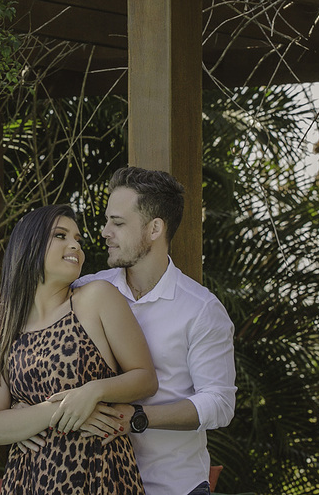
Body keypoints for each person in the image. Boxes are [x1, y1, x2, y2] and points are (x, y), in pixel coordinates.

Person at [72, 167, 237, 495]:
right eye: (107, 221)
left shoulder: (201, 309)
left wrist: (138, 417)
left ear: (154, 229)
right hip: (97, 483)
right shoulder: (85, 291)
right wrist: (25, 409)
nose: (105, 232)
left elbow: (219, 402)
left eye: (118, 223)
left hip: (174, 486)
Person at [0, 203, 158, 494]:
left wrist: (93, 392)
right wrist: (60, 411)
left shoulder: (96, 298)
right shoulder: (8, 327)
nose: (75, 245)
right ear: (29, 245)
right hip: (28, 482)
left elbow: (145, 378)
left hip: (98, 476)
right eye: (60, 235)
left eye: (77, 239)